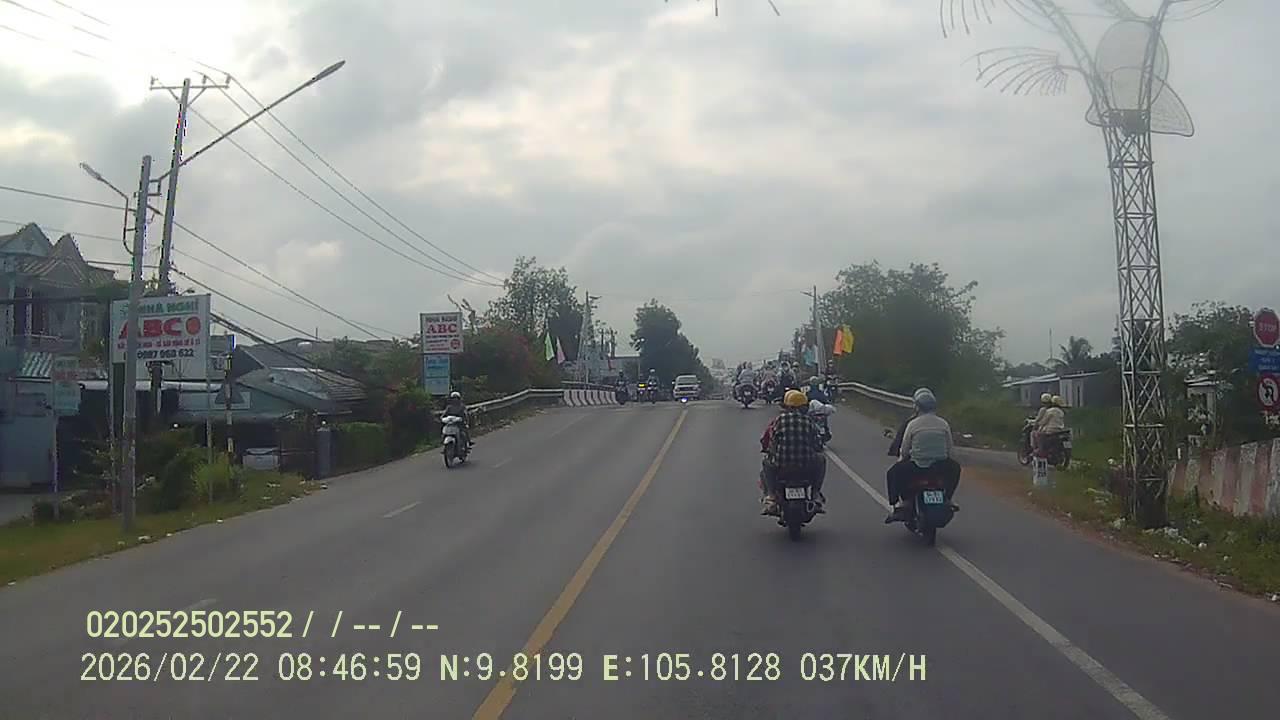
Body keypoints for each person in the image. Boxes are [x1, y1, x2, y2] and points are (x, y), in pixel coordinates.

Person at [884, 388, 960, 523]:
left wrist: (901, 460)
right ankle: (947, 498)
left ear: (917, 407)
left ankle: (900, 503)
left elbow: (904, 449)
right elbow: (950, 450)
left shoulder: (912, 424)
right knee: (956, 468)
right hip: (939, 466)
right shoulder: (943, 423)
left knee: (893, 473)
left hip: (918, 466)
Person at [759, 389, 827, 515]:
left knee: (766, 463)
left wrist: (771, 451)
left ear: (787, 406)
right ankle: (815, 493)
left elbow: (772, 441)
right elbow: (817, 443)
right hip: (806, 465)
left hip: (782, 465)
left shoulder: (779, 420)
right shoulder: (808, 421)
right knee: (821, 460)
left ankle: (771, 496)